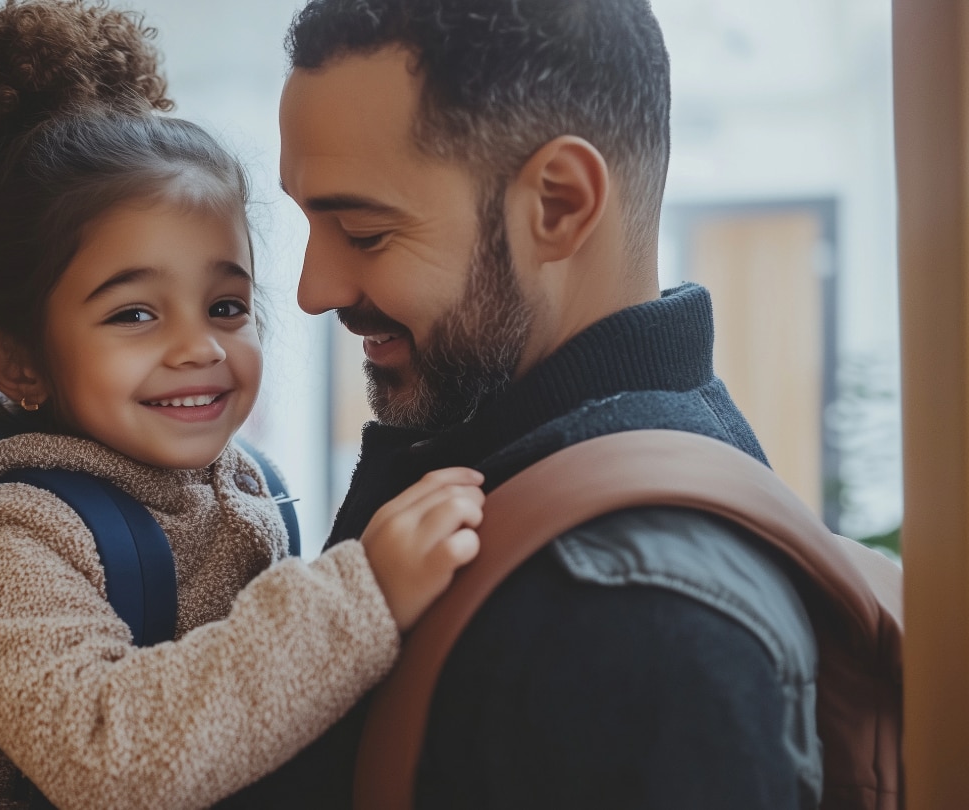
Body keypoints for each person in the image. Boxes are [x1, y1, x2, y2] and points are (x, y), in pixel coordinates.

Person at [257, 0, 823, 807]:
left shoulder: (636, 615)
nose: (315, 290)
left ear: (558, 204)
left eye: (365, 232)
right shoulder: (533, 481)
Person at [0, 3, 486, 808]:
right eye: (134, 314)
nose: (199, 346)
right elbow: (104, 751)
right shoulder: (20, 534)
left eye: (226, 307)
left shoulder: (250, 487)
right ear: (16, 360)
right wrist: (359, 593)